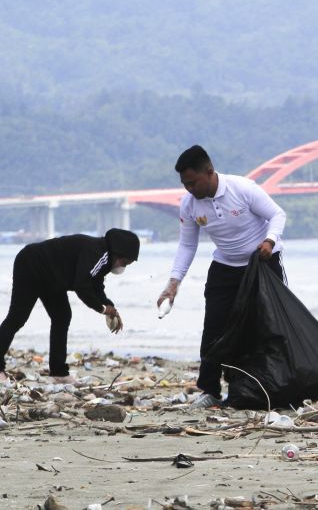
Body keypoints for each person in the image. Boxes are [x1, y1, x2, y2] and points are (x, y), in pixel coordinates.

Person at [157, 145, 287, 409]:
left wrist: (269, 241)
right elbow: (187, 246)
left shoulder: (242, 188)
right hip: (225, 267)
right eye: (185, 184)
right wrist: (173, 284)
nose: (189, 189)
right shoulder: (189, 204)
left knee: (269, 328)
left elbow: (277, 215)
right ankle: (210, 390)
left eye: (193, 182)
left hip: (262, 262)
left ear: (209, 172)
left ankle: (278, 388)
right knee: (214, 328)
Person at [0, 229, 140, 383]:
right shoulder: (98, 253)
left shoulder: (105, 259)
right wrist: (103, 309)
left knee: (62, 317)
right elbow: (82, 286)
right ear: (117, 253)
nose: (123, 267)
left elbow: (96, 285)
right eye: (125, 262)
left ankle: (58, 372)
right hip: (32, 264)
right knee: (17, 318)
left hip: (53, 278)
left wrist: (110, 307)